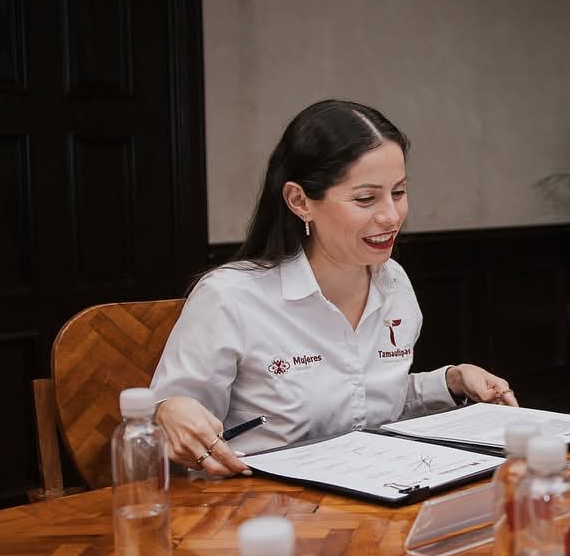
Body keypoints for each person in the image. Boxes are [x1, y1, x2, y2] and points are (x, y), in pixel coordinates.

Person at [152, 100, 516, 476]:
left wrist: (451, 381)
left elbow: (363, 401)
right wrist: (167, 410)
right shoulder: (230, 297)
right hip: (259, 509)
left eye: (399, 192)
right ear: (300, 201)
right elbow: (170, 422)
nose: (391, 216)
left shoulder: (394, 283)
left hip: (372, 498)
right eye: (365, 198)